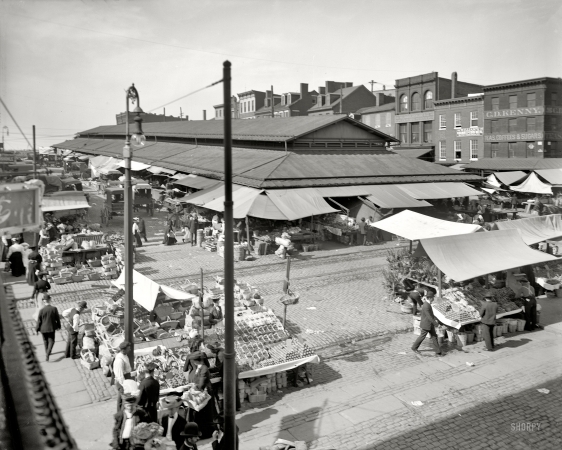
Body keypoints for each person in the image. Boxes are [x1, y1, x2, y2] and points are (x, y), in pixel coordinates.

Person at [185, 352, 216, 439]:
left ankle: (207, 433)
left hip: (204, 393)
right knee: (201, 414)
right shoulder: (199, 368)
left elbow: (201, 383)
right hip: (200, 393)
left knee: (205, 414)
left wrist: (194, 388)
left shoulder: (204, 369)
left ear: (196, 361)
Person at [411, 291, 442, 356]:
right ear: (430, 298)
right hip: (426, 324)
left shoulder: (427, 304)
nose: (434, 299)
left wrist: (437, 319)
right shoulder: (426, 306)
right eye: (433, 297)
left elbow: (431, 315)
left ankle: (438, 351)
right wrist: (437, 324)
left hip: (429, 324)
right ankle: (414, 347)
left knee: (434, 336)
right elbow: (429, 317)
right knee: (422, 336)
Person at [35, 295, 61, 362]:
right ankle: (48, 353)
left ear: (44, 301)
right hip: (51, 328)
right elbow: (57, 319)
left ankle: (47, 352)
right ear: (50, 300)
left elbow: (39, 321)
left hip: (43, 329)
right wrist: (59, 326)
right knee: (51, 341)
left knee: (45, 341)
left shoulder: (41, 310)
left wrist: (37, 329)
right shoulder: (54, 309)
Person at [113, 341, 136, 412]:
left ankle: (120, 411)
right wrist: (124, 387)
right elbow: (120, 375)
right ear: (123, 350)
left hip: (126, 378)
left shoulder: (124, 355)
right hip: (122, 382)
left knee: (121, 399)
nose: (129, 350)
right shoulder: (119, 360)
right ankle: (121, 413)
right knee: (123, 399)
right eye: (128, 348)